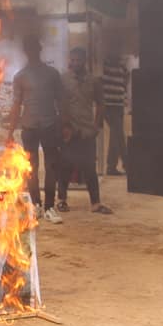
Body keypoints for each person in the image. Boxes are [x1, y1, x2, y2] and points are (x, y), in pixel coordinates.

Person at [7, 35, 65, 224]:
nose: (32, 52)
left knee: (51, 167)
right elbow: (16, 105)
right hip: (29, 128)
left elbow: (61, 101)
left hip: (50, 126)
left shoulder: (52, 74)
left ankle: (49, 206)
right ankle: (36, 206)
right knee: (31, 169)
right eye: (28, 49)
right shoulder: (20, 76)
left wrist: (64, 124)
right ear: (26, 52)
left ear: (39, 50)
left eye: (34, 48)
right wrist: (10, 132)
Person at [56, 47, 113, 214]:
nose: (75, 63)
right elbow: (60, 104)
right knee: (64, 167)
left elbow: (101, 104)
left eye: (78, 60)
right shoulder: (63, 80)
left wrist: (96, 126)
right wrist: (64, 127)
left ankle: (95, 203)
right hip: (68, 131)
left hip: (87, 132)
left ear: (84, 61)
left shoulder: (94, 81)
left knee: (89, 168)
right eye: (72, 60)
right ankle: (62, 200)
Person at [101, 37, 129, 176]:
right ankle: (128, 163)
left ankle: (111, 167)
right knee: (118, 133)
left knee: (115, 135)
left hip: (118, 104)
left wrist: (124, 97)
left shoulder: (122, 66)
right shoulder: (103, 65)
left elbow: (125, 81)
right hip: (107, 105)